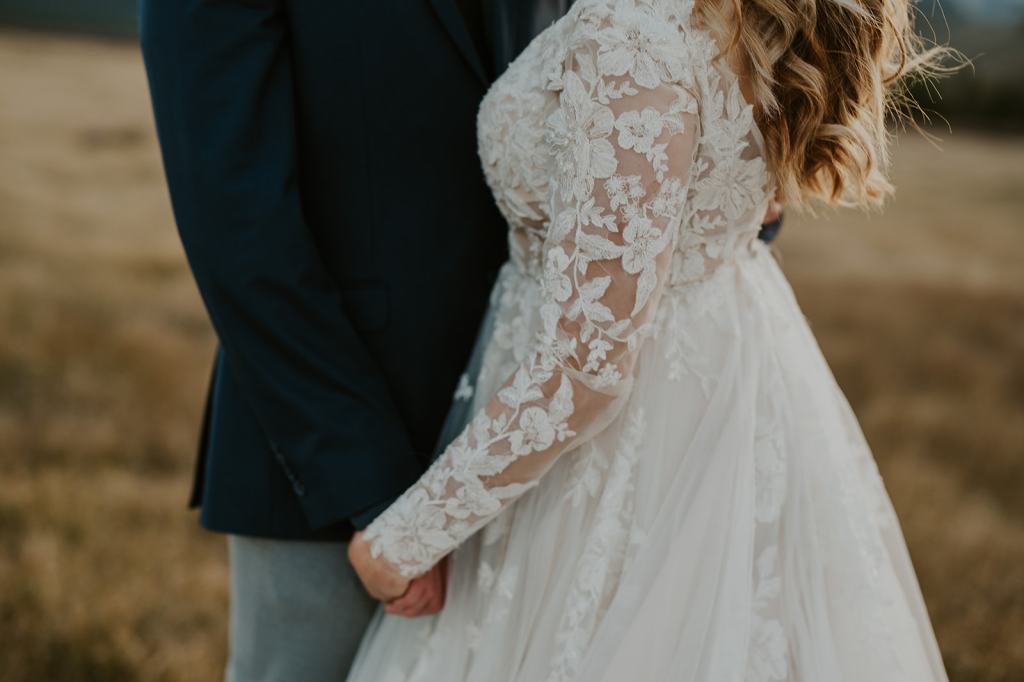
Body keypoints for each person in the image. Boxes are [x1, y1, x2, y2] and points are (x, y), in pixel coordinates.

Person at [344, 0, 950, 680]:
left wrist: (404, 540)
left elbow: (587, 365)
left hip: (625, 449)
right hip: (736, 372)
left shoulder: (633, 28)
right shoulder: (754, 20)